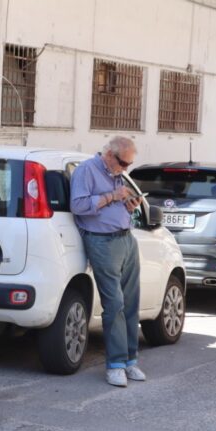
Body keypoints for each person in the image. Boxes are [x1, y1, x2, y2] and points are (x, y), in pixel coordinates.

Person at [69, 136, 145, 388]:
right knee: (115, 304)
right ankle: (115, 364)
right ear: (110, 155)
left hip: (126, 239)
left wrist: (129, 205)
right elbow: (78, 205)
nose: (125, 168)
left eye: (128, 165)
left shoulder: (117, 173)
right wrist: (113, 196)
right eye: (123, 163)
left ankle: (130, 360)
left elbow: (117, 205)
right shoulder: (86, 171)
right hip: (102, 242)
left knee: (131, 302)